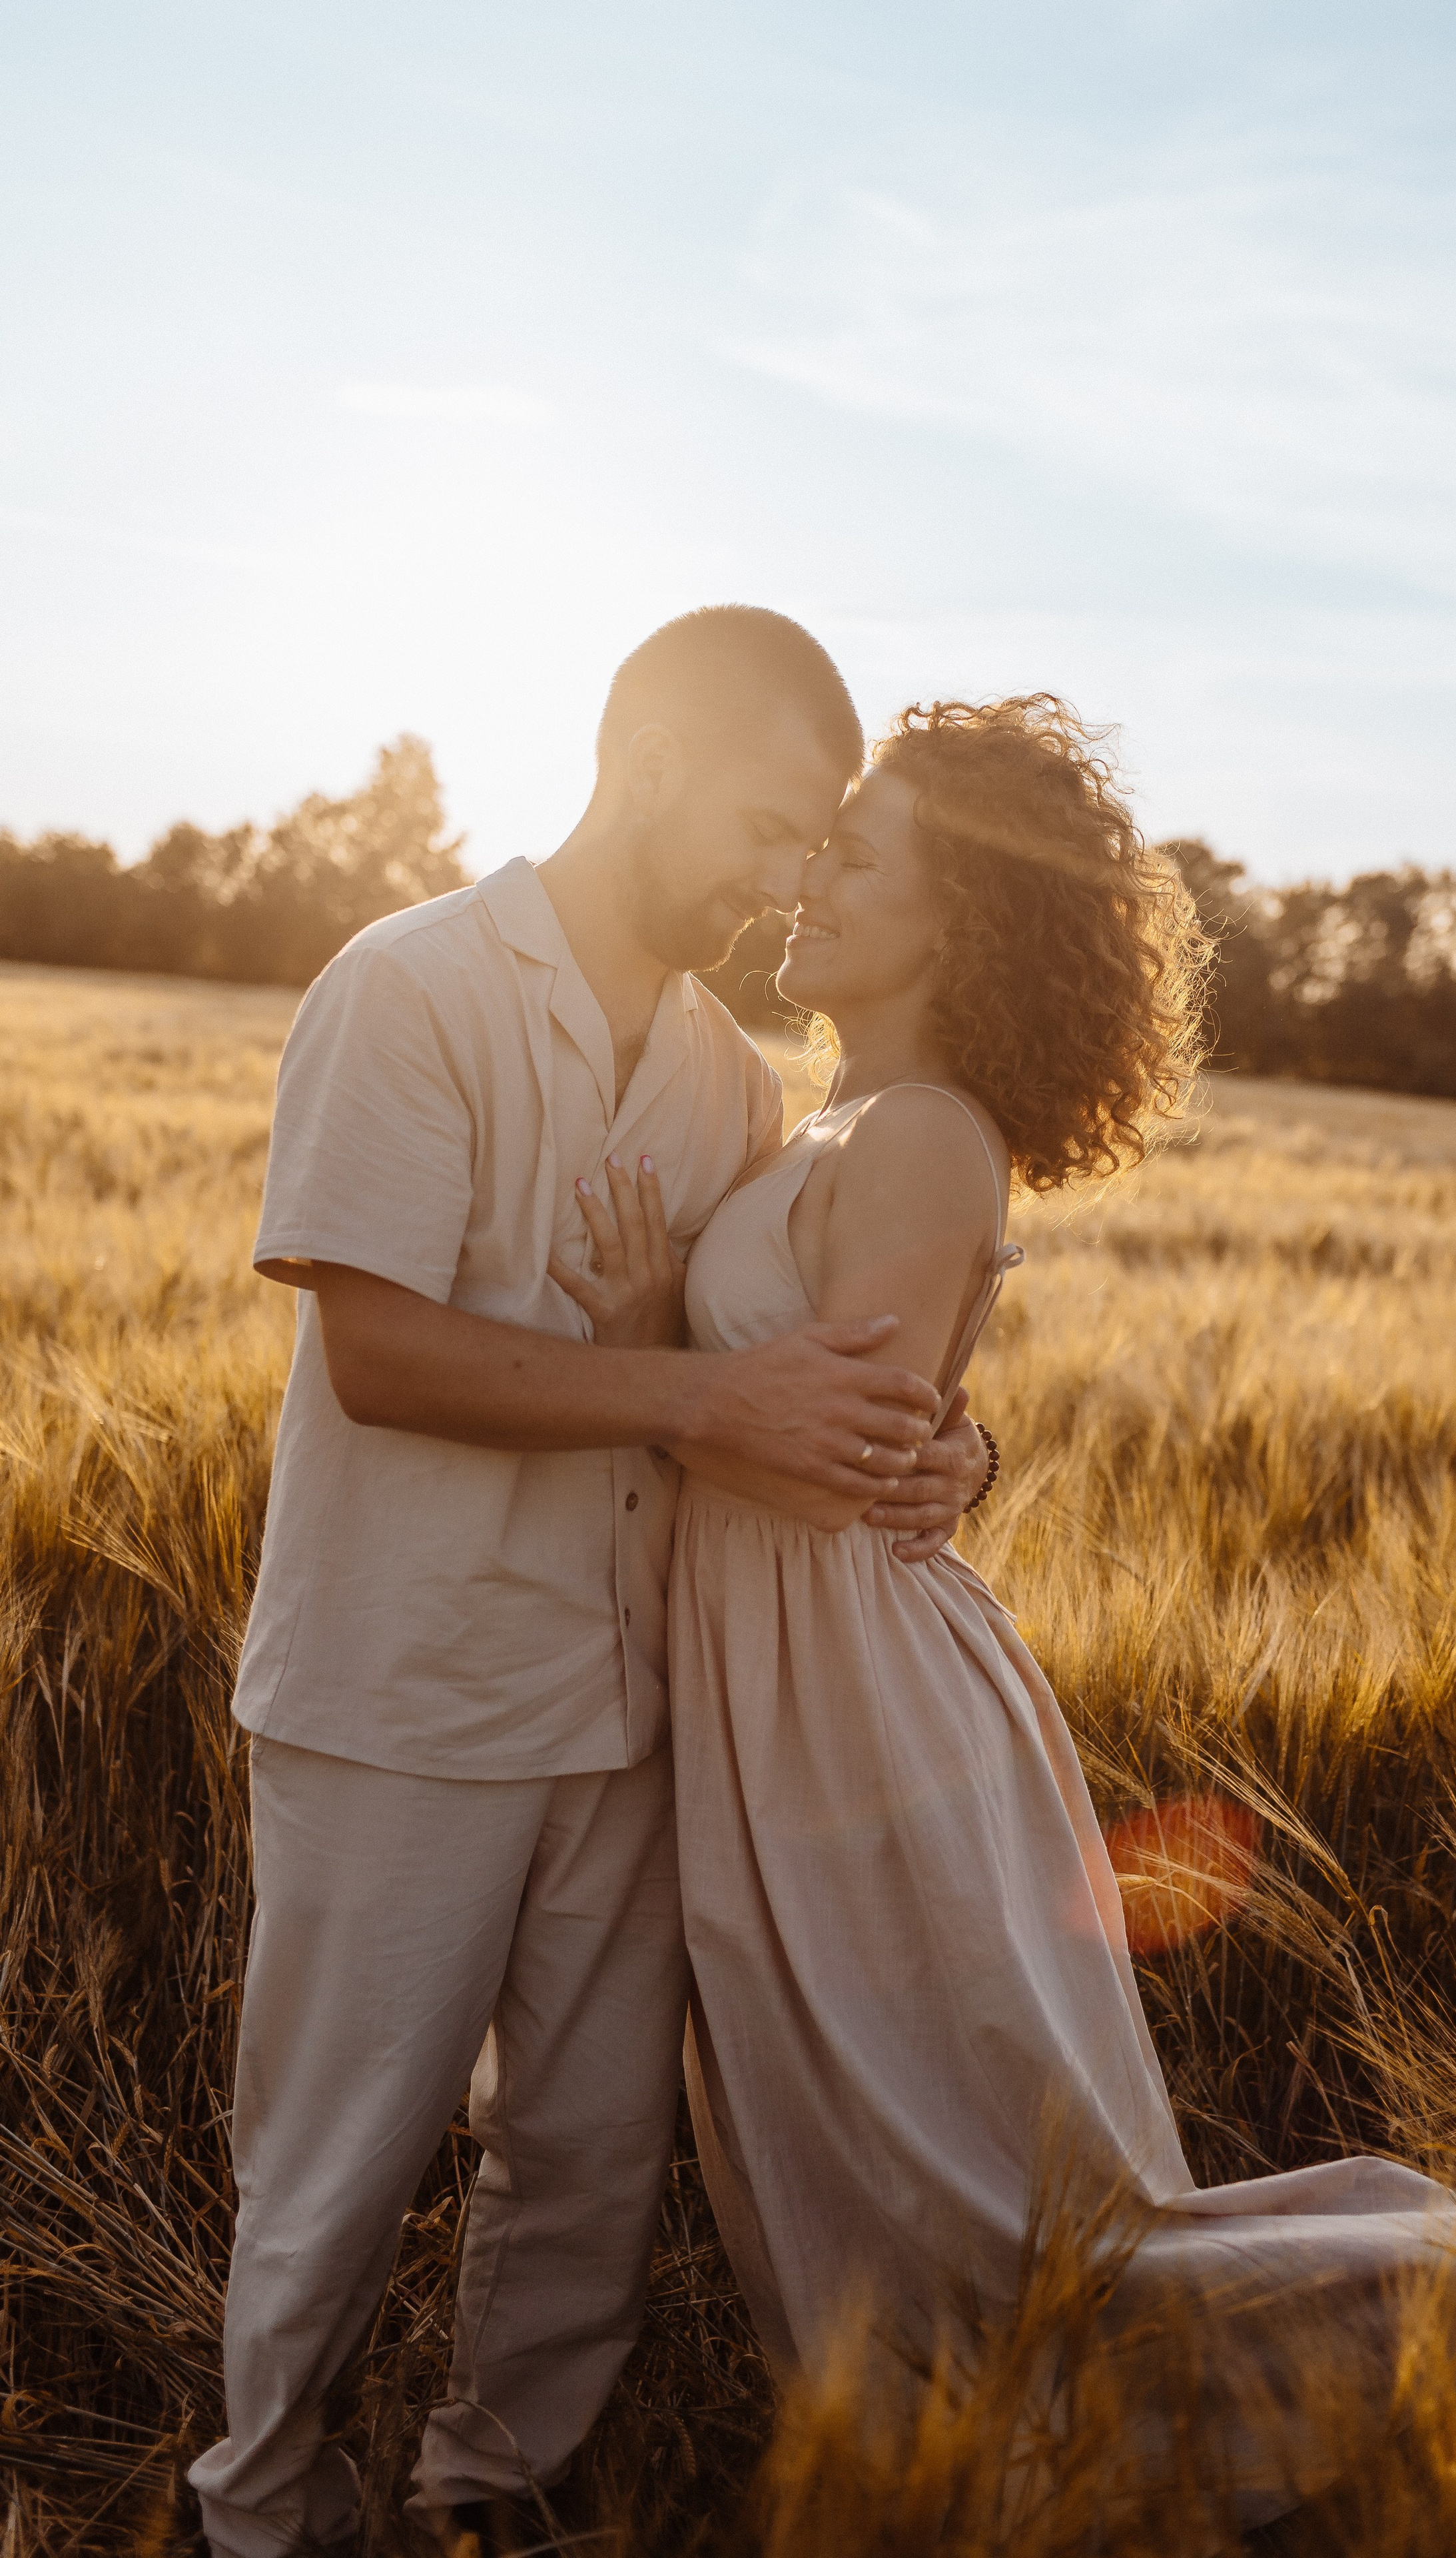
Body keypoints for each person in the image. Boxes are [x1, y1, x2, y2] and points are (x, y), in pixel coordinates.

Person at [588, 694, 1456, 2533]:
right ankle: (963, 2480)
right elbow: (895, 1422)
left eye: (854, 856)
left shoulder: (923, 1132)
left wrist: (648, 1346)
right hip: (795, 1675)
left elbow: (842, 1449)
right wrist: (941, 1437)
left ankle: (1437, 2311)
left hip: (855, 1704)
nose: (807, 881)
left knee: (959, 2187)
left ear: (957, 917)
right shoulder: (835, 1120)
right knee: (868, 2152)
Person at [188, 608, 988, 2558]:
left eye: (821, 847)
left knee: (590, 2160)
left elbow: (794, 1353)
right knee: (338, 2159)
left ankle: (496, 2491)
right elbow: (384, 1358)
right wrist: (702, 1392)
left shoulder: (725, 1076)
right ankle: (259, 2508)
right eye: (771, 826)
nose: (788, 879)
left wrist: (949, 1449)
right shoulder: (413, 988)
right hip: (406, 1684)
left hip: (635, 1703)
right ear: (648, 762)